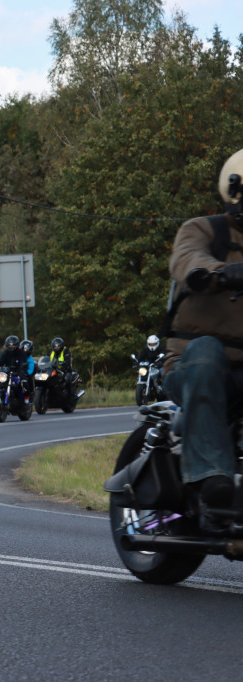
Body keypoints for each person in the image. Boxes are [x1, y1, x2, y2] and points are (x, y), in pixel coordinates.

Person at [162, 148, 243, 512]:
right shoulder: (203, 230)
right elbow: (186, 258)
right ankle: (213, 480)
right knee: (207, 353)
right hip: (193, 365)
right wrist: (217, 272)